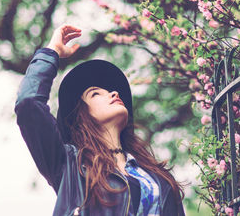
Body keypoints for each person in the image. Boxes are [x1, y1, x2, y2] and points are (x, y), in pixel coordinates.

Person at [15, 24, 185, 216]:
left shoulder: (159, 178)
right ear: (81, 117)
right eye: (96, 94)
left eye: (111, 91)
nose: (113, 93)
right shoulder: (69, 165)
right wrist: (51, 51)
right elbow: (28, 103)